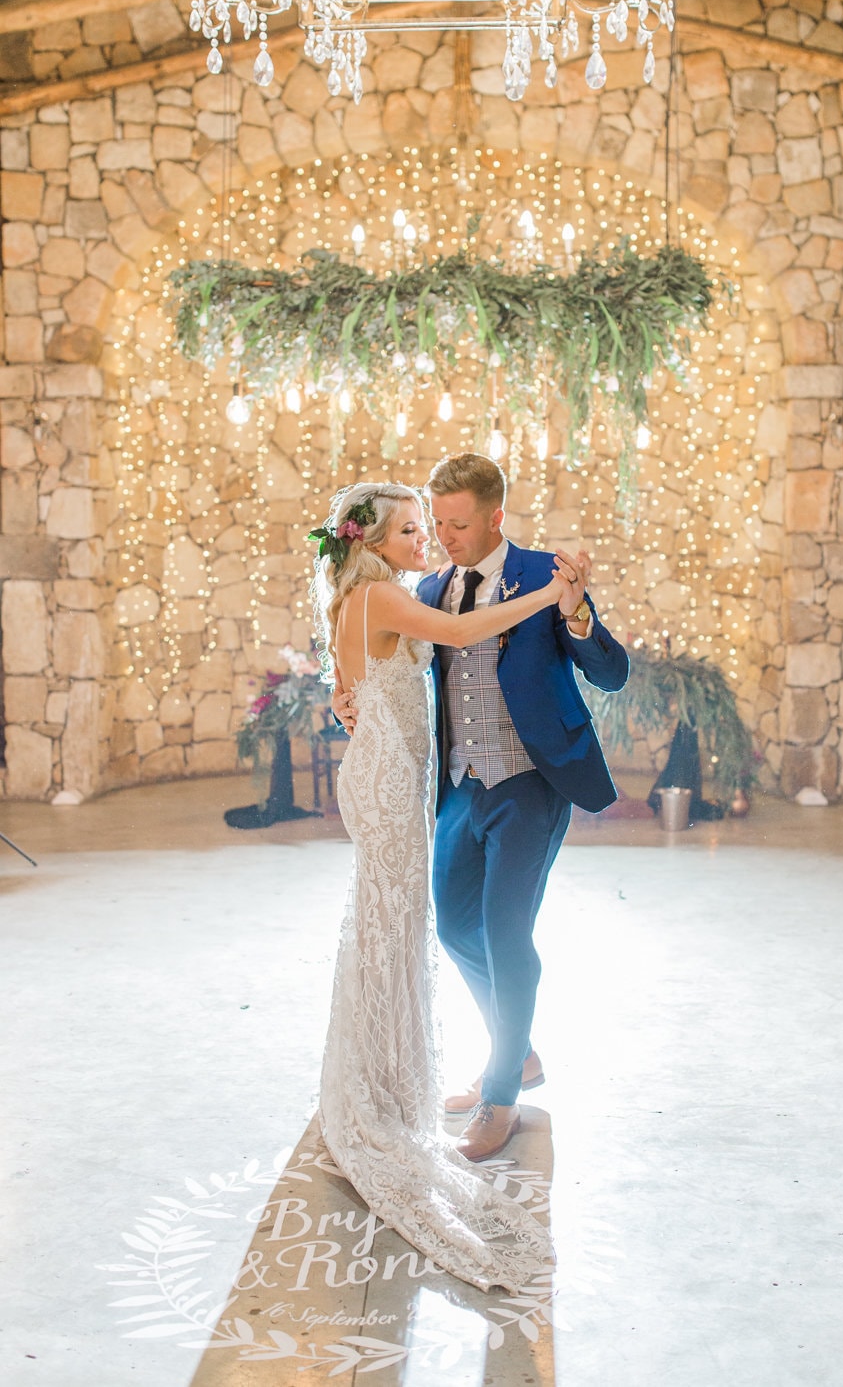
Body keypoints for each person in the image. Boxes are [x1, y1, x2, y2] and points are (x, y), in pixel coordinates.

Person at [310, 479, 575, 1293]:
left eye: (431, 526)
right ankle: (377, 1096)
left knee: (385, 926)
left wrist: (351, 707)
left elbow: (350, 689)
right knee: (393, 926)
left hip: (386, 771)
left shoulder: (358, 598)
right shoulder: (388, 596)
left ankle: (378, 1080)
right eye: (410, 529)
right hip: (393, 782)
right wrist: (547, 597)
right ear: (373, 542)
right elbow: (460, 630)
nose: (424, 539)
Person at [336, 453, 629, 1164]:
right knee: (456, 925)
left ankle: (502, 1096)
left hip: (532, 783)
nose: (443, 538)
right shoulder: (430, 588)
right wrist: (349, 695)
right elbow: (383, 656)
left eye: (458, 524)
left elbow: (611, 673)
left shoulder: (546, 575)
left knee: (504, 936)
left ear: (496, 516)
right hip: (461, 787)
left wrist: (577, 612)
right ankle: (519, 1051)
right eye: (435, 524)